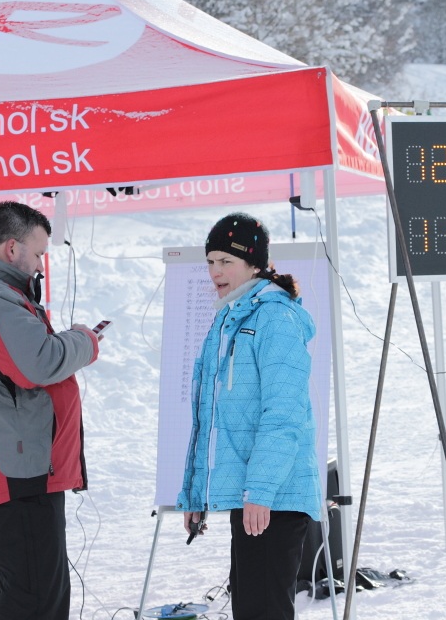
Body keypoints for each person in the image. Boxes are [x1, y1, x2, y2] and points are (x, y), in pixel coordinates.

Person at [0, 201, 100, 620]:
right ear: (12, 248)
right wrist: (84, 340)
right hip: (17, 476)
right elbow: (38, 362)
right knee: (36, 602)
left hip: (3, 473)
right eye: (39, 253)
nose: (41, 265)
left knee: (3, 599)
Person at [177, 212, 322, 620]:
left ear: (254, 264)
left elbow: (283, 414)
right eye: (211, 261)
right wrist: (196, 493)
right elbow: (208, 418)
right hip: (253, 496)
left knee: (263, 611)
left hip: (274, 496)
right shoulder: (230, 317)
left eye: (227, 261)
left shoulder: (276, 319)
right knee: (250, 608)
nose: (215, 272)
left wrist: (261, 490)